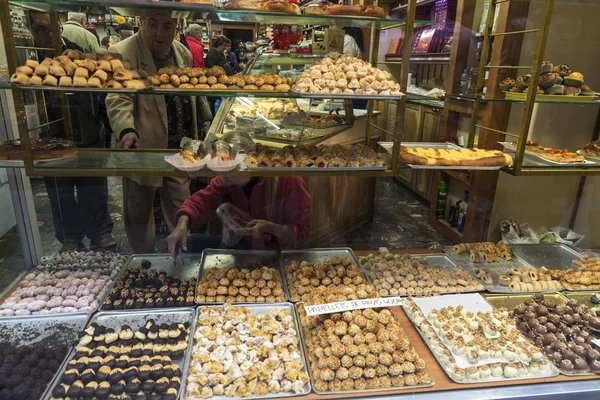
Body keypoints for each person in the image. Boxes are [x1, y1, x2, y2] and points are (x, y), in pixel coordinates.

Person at [105, 9, 212, 254]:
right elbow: (118, 98)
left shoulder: (181, 51)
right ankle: (143, 260)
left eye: (167, 25)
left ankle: (181, 258)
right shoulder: (124, 52)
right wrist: (127, 131)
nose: (160, 33)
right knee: (139, 211)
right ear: (140, 22)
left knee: (182, 208)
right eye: (153, 24)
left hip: (180, 147)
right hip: (144, 146)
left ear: (176, 27)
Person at [30, 11, 115, 251]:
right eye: (39, 30)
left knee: (94, 187)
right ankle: (69, 237)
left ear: (60, 27)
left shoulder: (79, 54)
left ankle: (99, 231)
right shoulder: (31, 59)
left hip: (87, 130)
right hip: (52, 135)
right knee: (60, 190)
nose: (47, 35)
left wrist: (105, 127)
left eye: (50, 28)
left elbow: (100, 92)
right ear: (32, 33)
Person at [167, 177, 312, 255]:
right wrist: (182, 225)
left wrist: (269, 227)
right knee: (188, 245)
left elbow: (301, 230)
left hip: (279, 253)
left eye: (231, 168)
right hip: (242, 248)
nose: (224, 176)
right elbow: (200, 203)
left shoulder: (288, 181)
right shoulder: (226, 179)